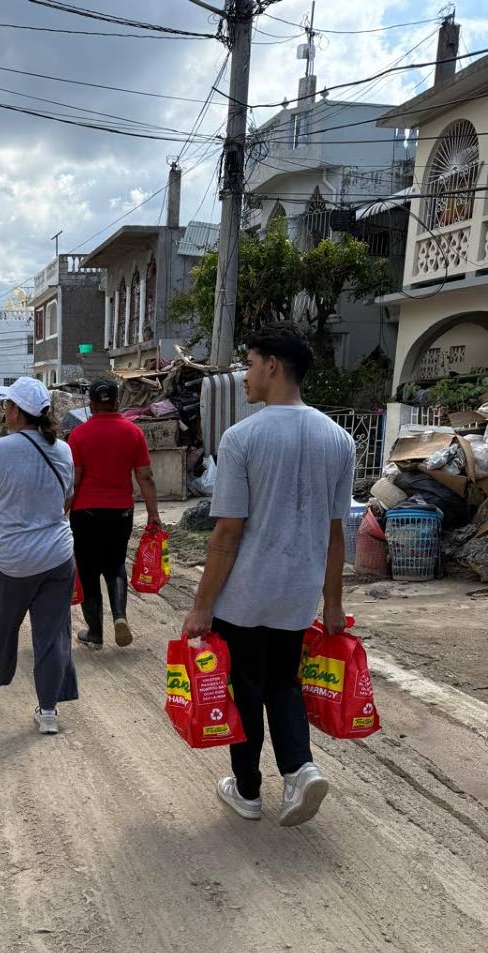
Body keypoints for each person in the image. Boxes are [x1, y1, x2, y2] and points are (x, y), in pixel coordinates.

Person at [182, 321, 355, 827]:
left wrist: (200, 604)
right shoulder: (339, 439)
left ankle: (250, 791)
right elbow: (336, 532)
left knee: (244, 687)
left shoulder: (242, 438)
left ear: (272, 367)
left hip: (246, 593)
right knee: (282, 683)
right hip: (297, 593)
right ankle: (300, 770)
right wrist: (334, 603)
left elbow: (228, 533)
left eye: (250, 365)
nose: (243, 377)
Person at [0, 377, 77, 735]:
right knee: (52, 634)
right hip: (58, 556)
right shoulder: (63, 450)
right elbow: (65, 500)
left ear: (16, 411)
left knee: (0, 627)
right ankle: (48, 711)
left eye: (7, 405)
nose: (4, 411)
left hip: (11, 560)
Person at [68, 376, 160, 649]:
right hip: (121, 511)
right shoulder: (133, 433)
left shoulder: (79, 434)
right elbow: (146, 476)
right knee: (115, 564)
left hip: (85, 512)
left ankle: (95, 633)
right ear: (117, 401)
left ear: (92, 404)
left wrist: (61, 512)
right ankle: (119, 616)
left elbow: (75, 480)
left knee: (88, 570)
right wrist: (153, 513)